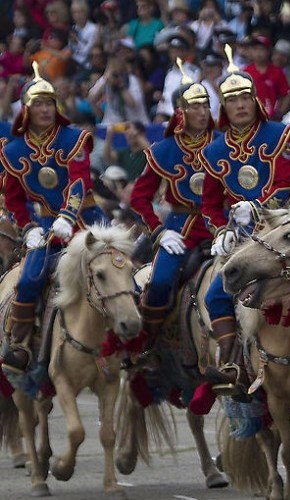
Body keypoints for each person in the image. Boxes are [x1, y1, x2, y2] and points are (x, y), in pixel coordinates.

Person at [200, 45, 290, 397]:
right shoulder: (213, 151)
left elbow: (289, 187)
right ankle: (231, 360)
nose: (240, 105)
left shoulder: (280, 136)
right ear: (223, 108)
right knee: (216, 295)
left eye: (245, 98)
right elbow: (210, 204)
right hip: (239, 238)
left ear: (256, 100)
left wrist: (256, 208)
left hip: (281, 232)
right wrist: (221, 231)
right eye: (232, 100)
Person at [0, 63, 107, 374]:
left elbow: (78, 181)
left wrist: (68, 215)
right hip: (47, 225)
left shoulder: (73, 138)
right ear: (26, 110)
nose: (45, 110)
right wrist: (29, 227)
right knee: (31, 277)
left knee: (120, 270)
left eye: (49, 103)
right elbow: (15, 200)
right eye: (38, 105)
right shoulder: (14, 150)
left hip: (87, 219)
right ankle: (19, 343)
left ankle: (136, 343)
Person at [130, 60, 215, 350]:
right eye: (194, 106)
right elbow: (138, 197)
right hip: (180, 229)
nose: (202, 112)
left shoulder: (224, 144)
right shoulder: (163, 150)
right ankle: (149, 346)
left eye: (205, 105)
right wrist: (158, 231)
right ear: (180, 111)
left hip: (222, 225)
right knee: (161, 283)